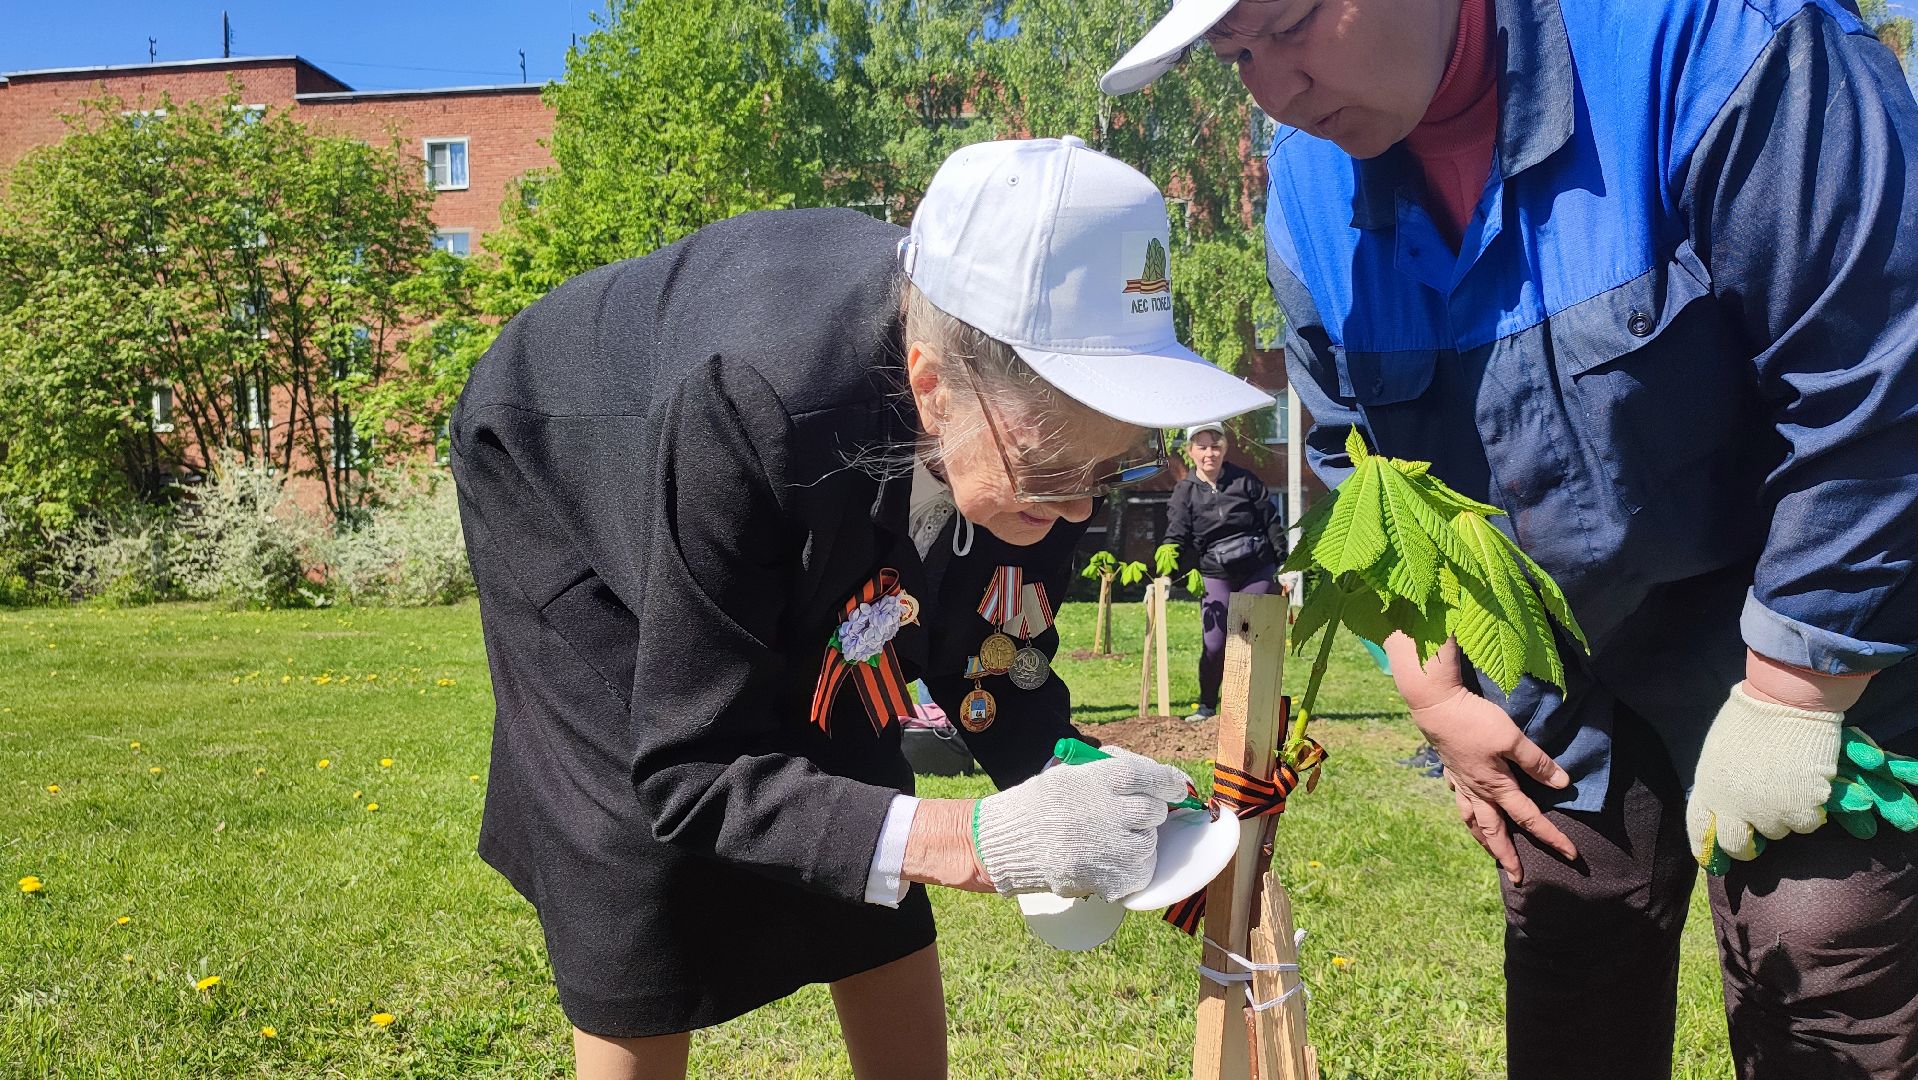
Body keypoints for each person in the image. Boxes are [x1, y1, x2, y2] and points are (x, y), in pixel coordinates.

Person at [1105, 1, 1918, 1077]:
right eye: (1233, 53)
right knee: (1568, 930)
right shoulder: (1307, 191)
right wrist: (1432, 690)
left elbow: (1879, 389)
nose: (1273, 89)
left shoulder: (1713, 45)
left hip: (1810, 616)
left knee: (1816, 953)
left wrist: (1790, 695)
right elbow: (1360, 475)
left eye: (1290, 24)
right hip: (1551, 657)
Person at [449, 136, 1273, 1079]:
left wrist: (1091, 792)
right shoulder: (752, 399)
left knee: (854, 746)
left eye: (1110, 465)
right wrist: (975, 841)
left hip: (797, 444)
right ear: (930, 385)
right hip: (559, 474)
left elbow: (995, 658)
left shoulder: (1033, 444)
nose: (1078, 512)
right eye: (1052, 471)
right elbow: (691, 769)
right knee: (631, 854)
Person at [1159, 422, 1288, 722]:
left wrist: (1284, 565)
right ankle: (1206, 706)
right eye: (1202, 446)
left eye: (1215, 446)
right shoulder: (1185, 491)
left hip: (1257, 566)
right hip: (1216, 571)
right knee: (1215, 643)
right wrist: (1165, 574)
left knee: (1247, 635)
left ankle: (1248, 708)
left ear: (1225, 449)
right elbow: (1176, 535)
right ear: (1190, 451)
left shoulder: (1245, 481)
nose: (1209, 453)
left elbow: (1271, 521)